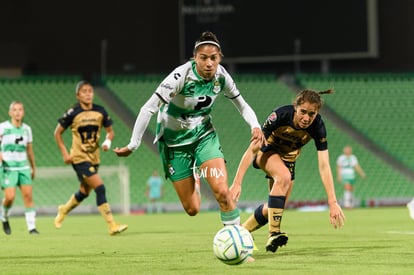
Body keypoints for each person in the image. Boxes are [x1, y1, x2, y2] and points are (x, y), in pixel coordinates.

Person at [114, 31, 265, 227]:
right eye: (203, 58)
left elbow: (243, 105)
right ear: (195, 58)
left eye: (214, 58)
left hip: (204, 136)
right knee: (192, 208)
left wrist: (255, 125)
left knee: (222, 191)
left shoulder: (222, 76)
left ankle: (236, 241)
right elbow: (148, 108)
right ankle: (195, 175)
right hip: (174, 142)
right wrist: (133, 144)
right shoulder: (180, 76)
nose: (209, 63)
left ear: (220, 58)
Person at [230, 89, 345, 253]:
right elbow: (252, 149)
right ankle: (274, 233)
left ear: (317, 113)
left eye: (311, 114)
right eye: (303, 112)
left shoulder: (318, 126)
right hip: (266, 152)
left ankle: (240, 232)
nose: (306, 118)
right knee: (283, 177)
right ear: (295, 107)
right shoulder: (280, 116)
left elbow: (324, 165)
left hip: (288, 161)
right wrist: (237, 182)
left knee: (275, 206)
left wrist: (333, 202)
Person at [54, 80, 128, 235]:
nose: (88, 94)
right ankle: (111, 224)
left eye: (90, 91)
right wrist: (65, 154)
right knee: (100, 187)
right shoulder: (72, 112)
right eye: (84, 91)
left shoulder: (100, 111)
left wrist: (107, 142)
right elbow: (57, 133)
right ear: (78, 95)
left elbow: (110, 131)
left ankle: (64, 209)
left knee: (85, 191)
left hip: (94, 157)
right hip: (79, 158)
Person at [0, 101, 39, 234]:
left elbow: (29, 150)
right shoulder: (3, 128)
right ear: (10, 113)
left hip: (23, 167)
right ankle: (4, 216)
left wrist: (33, 167)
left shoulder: (27, 129)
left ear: (23, 112)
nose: (17, 112)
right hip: (8, 167)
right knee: (10, 197)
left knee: (28, 196)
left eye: (20, 110)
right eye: (15, 110)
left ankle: (32, 227)